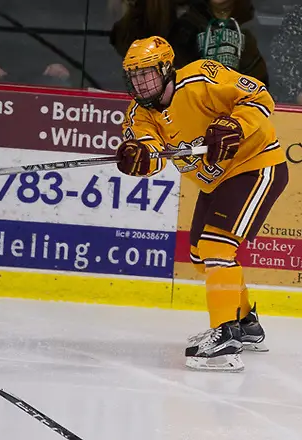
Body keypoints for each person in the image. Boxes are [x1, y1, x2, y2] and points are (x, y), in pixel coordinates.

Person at [114, 36, 288, 372]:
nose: (140, 82)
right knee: (199, 256)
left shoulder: (199, 79)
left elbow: (259, 97)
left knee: (217, 248)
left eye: (147, 73)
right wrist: (139, 158)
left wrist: (234, 124)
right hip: (217, 182)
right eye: (134, 76)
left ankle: (225, 338)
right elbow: (152, 154)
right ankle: (245, 323)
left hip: (256, 164)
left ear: (166, 69)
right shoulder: (138, 114)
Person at [110, 0, 268, 85]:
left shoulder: (252, 28)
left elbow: (260, 83)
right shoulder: (187, 25)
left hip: (237, 115)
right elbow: (173, 73)